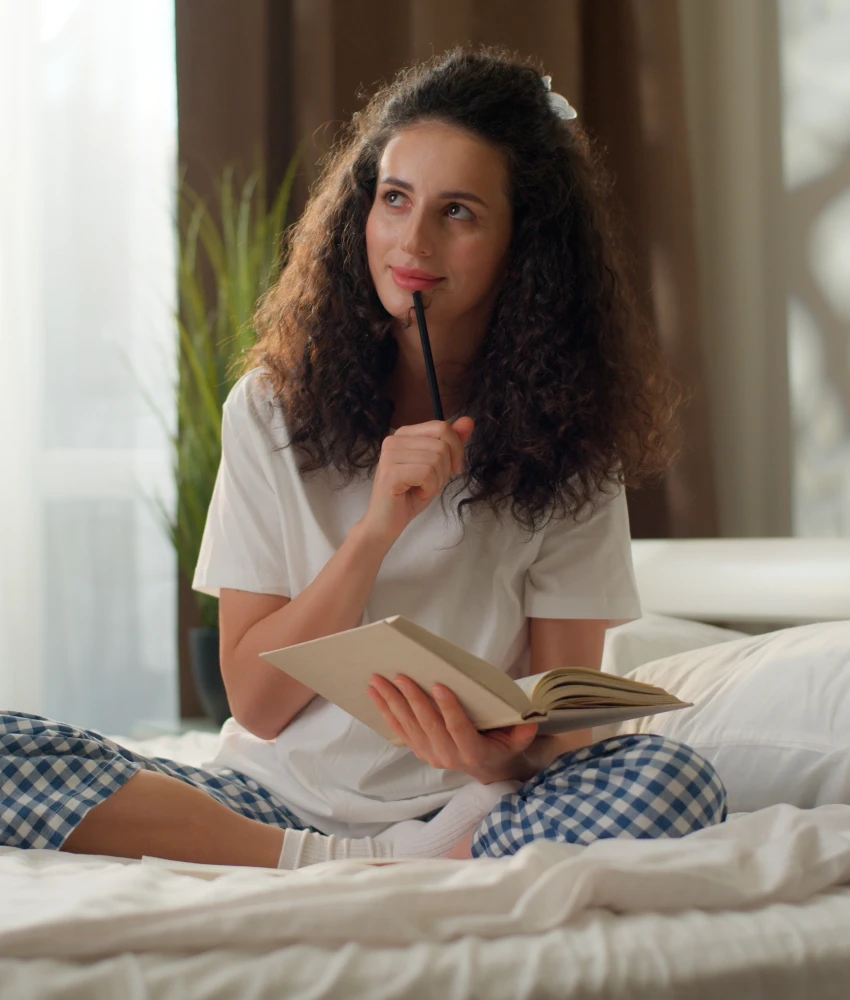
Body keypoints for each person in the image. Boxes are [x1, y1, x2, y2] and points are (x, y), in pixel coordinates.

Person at [1, 46, 726, 868]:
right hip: (267, 796)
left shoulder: (574, 447)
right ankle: (343, 865)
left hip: (464, 801)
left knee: (673, 780)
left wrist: (489, 759)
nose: (411, 240)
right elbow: (258, 704)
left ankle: (344, 856)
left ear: (524, 246)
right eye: (394, 198)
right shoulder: (270, 409)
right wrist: (374, 531)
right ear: (362, 210)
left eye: (458, 212)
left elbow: (562, 738)